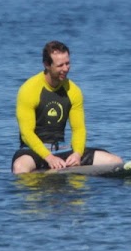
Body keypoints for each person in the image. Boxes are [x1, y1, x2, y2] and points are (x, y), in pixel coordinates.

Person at [11, 41, 123, 174]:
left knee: (115, 162)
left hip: (62, 151)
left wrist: (77, 154)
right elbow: (26, 134)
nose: (65, 69)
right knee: (20, 168)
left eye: (67, 63)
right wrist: (49, 158)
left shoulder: (73, 91)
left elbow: (78, 129)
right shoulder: (28, 90)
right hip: (32, 152)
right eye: (60, 65)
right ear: (47, 65)